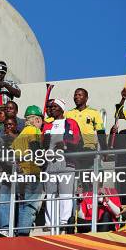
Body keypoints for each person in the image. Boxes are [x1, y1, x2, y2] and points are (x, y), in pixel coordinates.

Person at [42, 98, 82, 233]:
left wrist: (65, 144)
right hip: (50, 163)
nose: (52, 109)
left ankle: (64, 220)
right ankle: (50, 222)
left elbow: (77, 140)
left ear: (61, 108)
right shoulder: (47, 125)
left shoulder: (71, 123)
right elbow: (42, 143)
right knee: (51, 193)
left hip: (67, 162)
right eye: (50, 107)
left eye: (55, 106)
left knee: (65, 192)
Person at [10, 106, 44, 236]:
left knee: (22, 205)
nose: (41, 123)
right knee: (30, 207)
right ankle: (23, 235)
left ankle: (20, 233)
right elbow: (36, 149)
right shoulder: (34, 130)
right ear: (36, 119)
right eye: (40, 120)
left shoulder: (19, 135)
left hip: (21, 174)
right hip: (33, 172)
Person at [65, 88, 107, 181]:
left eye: (80, 95)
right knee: (73, 180)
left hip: (88, 149)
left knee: (87, 179)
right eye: (75, 95)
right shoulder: (68, 113)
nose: (77, 97)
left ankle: (88, 193)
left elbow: (100, 132)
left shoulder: (94, 112)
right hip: (72, 150)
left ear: (86, 98)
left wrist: (105, 149)